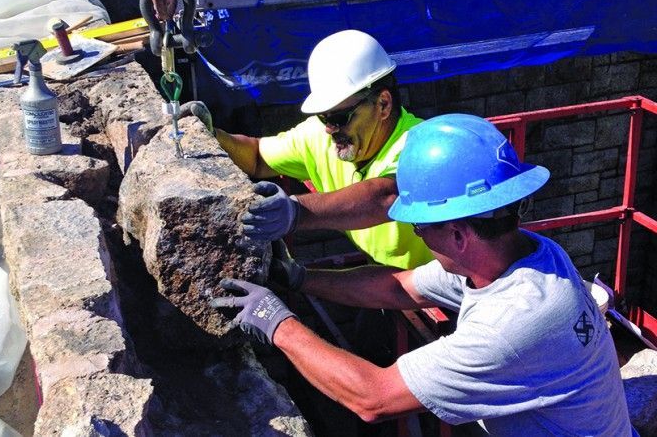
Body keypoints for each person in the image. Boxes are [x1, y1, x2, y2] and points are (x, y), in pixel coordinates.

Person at [211, 114, 634, 436]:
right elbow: (398, 287)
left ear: (457, 232)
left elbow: (371, 397)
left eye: (419, 225)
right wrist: (300, 278)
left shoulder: (513, 325)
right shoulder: (529, 255)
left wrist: (274, 321)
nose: (415, 232)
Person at [182, 29, 431, 270]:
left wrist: (295, 211)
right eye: (324, 117)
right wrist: (213, 134)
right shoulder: (317, 136)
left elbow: (383, 197)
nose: (329, 129)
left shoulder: (420, 145)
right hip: (383, 275)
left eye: (340, 117)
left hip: (442, 289)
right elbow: (257, 158)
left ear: (383, 104)